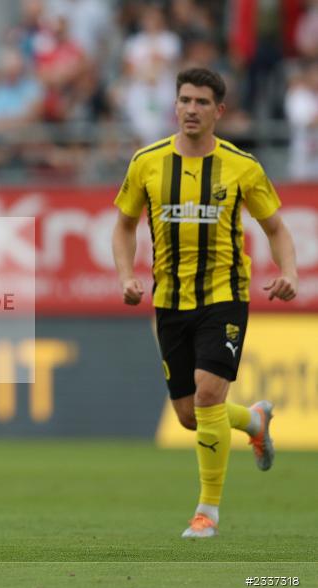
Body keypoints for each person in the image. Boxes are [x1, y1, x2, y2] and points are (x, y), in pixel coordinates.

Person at [111, 68, 298, 539]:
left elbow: (276, 228)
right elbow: (123, 225)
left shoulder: (242, 166)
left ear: (219, 111)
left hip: (224, 296)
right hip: (170, 301)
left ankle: (206, 512)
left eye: (201, 102)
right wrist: (126, 275)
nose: (191, 109)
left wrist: (289, 272)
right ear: (174, 105)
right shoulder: (147, 162)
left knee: (210, 395)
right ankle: (253, 420)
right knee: (190, 415)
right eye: (184, 100)